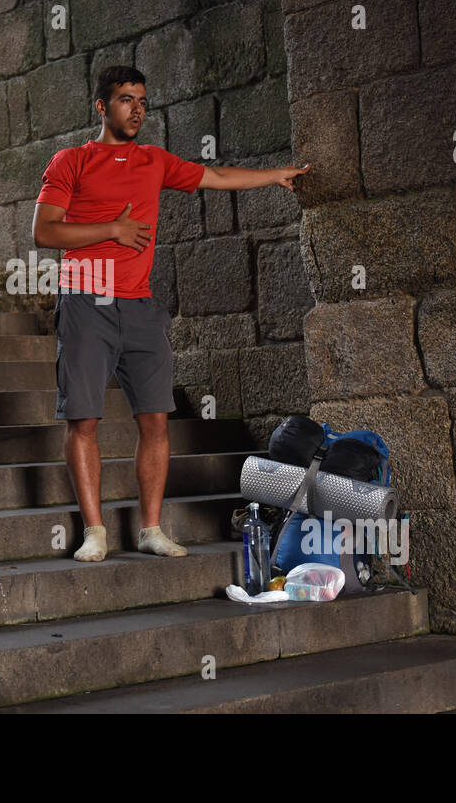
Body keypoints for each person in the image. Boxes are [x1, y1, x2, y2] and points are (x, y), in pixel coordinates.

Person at [33, 65, 311, 563]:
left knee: (157, 420)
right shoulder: (71, 161)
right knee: (84, 419)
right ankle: (94, 531)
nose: (136, 108)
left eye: (142, 100)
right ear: (102, 107)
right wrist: (112, 231)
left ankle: (150, 529)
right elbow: (45, 232)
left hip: (139, 305)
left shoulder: (154, 161)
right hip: (85, 299)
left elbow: (217, 175)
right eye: (125, 99)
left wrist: (274, 175)